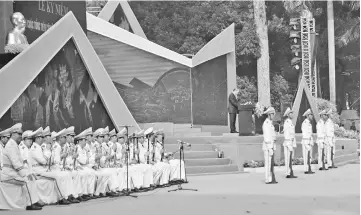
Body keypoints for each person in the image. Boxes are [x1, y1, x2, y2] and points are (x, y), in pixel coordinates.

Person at [0, 123, 43, 210]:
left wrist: (27, 173)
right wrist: (25, 174)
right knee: (27, 180)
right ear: (13, 134)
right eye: (19, 134)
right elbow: (16, 164)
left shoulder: (14, 144)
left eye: (21, 133)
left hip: (13, 172)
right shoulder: (11, 145)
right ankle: (30, 204)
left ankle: (34, 201)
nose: (20, 136)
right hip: (8, 174)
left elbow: (20, 162)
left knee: (31, 178)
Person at [262, 107, 277, 184]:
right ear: (269, 114)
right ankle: (267, 179)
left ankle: (270, 178)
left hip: (271, 146)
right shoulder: (266, 124)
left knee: (270, 163)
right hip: (268, 147)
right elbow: (267, 137)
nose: (273, 115)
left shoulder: (270, 123)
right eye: (272, 114)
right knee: (268, 163)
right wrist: (270, 148)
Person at [282, 107, 297, 178]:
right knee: (288, 158)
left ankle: (290, 172)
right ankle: (288, 173)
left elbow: (292, 134)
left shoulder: (290, 122)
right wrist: (289, 144)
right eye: (291, 113)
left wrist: (293, 143)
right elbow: (286, 134)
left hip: (291, 142)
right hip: (288, 143)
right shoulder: (287, 122)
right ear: (288, 114)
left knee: (291, 158)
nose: (292, 114)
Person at [301, 109, 315, 174]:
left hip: (309, 141)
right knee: (306, 156)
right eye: (310, 115)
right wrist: (306, 144)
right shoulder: (305, 123)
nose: (312, 116)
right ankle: (306, 169)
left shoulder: (309, 123)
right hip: (306, 142)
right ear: (307, 115)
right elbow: (304, 134)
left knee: (309, 156)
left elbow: (310, 134)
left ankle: (309, 168)